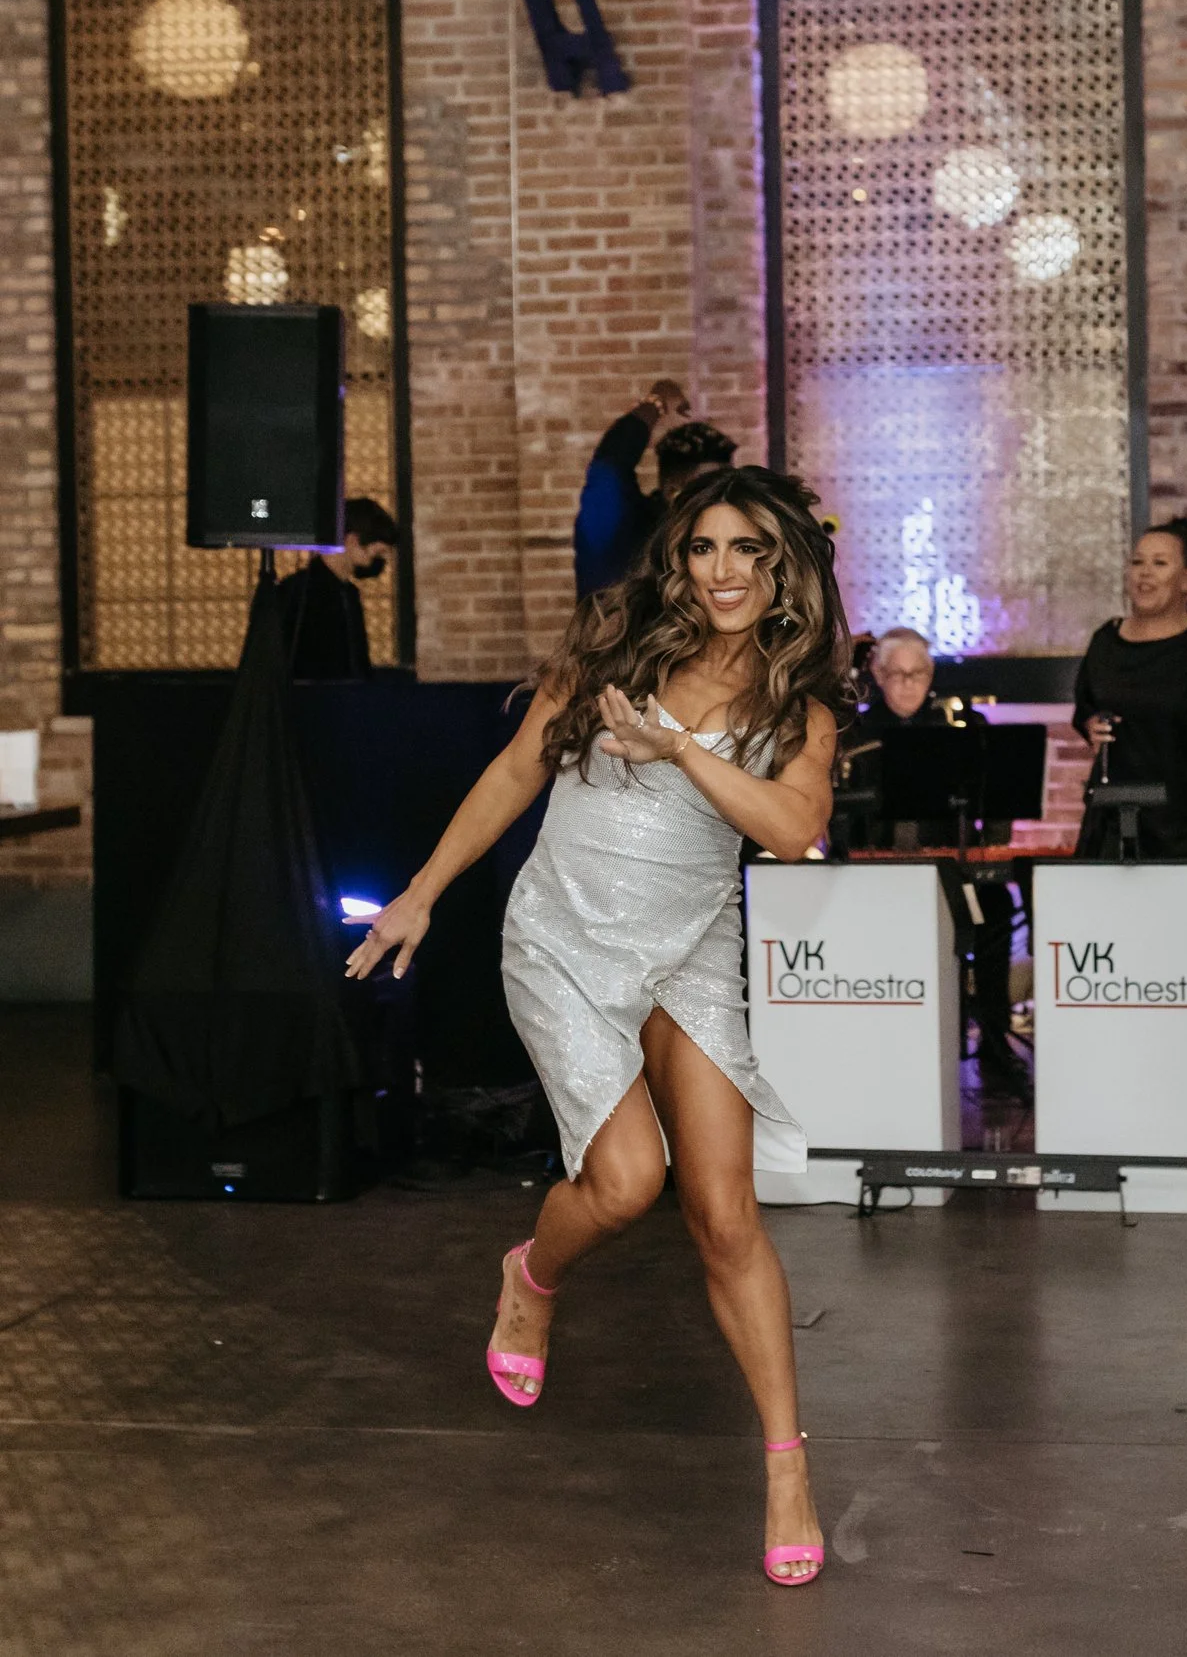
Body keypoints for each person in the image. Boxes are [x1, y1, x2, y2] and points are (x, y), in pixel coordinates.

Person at [347, 466, 844, 1587]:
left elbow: (792, 832)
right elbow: (511, 772)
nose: (722, 570)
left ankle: (786, 1468)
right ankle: (533, 1275)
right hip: (567, 935)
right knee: (624, 1182)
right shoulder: (614, 655)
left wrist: (681, 751)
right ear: (680, 559)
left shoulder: (797, 712)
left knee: (723, 1211)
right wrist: (421, 892)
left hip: (689, 948)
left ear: (784, 572)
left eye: (748, 550)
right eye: (704, 547)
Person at [850, 627, 1026, 1092]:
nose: (908, 684)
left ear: (931, 676)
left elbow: (996, 799)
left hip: (952, 871)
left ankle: (993, 1038)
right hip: (878, 876)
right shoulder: (856, 734)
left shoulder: (957, 731)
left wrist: (990, 847)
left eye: (918, 674)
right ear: (878, 676)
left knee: (997, 907)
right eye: (897, 674)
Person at [1074, 519, 1187, 860]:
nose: (1145, 573)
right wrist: (1091, 725)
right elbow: (1086, 707)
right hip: (1111, 820)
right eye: (1137, 562)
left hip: (1183, 825)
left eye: (1160, 563)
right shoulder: (1105, 641)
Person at [571, 379, 739, 598]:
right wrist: (656, 403)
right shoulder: (622, 533)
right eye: (710, 490)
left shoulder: (724, 546)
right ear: (673, 492)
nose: (723, 498)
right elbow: (608, 469)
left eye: (727, 487)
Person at [274, 497, 396, 680]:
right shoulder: (298, 592)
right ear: (352, 541)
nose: (382, 561)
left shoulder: (349, 594)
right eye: (378, 552)